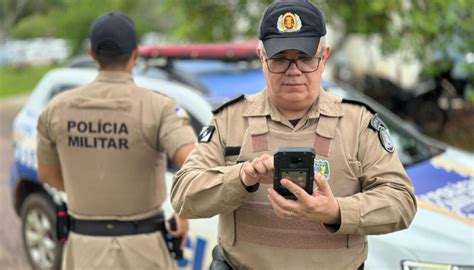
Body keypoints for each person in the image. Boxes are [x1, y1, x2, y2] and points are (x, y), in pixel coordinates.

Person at [171, 0, 417, 269]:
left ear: (324, 57)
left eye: (305, 58)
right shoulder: (229, 120)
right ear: (262, 58)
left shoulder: (358, 123)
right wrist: (242, 178)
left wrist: (335, 211)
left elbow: (401, 201)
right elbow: (183, 197)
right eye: (280, 59)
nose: (294, 71)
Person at [37, 11, 195, 269]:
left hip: (84, 249)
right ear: (136, 54)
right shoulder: (159, 108)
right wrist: (182, 210)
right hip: (144, 250)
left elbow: (47, 174)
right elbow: (193, 160)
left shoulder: (56, 109)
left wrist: (89, 189)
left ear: (92, 55)